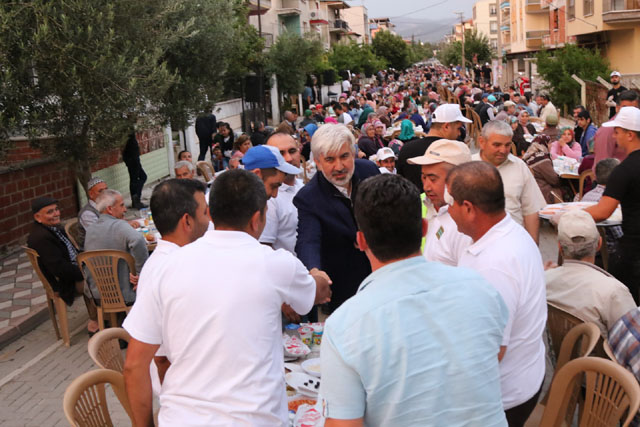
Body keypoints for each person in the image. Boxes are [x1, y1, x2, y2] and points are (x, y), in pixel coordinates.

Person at [122, 169, 332, 426]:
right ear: (257, 219)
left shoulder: (165, 266)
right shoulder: (276, 264)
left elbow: (134, 365)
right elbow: (317, 294)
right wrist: (318, 275)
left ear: (211, 213)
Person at [320, 174, 509, 426]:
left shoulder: (344, 326)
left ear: (361, 240)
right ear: (423, 228)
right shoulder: (481, 288)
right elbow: (494, 354)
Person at [446, 161, 547, 426]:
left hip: (503, 398)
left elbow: (488, 353)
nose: (448, 209)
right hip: (522, 375)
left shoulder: (494, 265)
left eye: (452, 202)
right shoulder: (508, 233)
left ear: (468, 208)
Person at [130, 179, 211, 389]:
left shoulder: (174, 260)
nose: (209, 219)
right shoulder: (168, 269)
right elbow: (161, 359)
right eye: (204, 213)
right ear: (187, 221)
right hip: (182, 389)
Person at [294, 124, 380, 314]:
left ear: (354, 153)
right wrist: (314, 271)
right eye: (330, 159)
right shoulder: (309, 197)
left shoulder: (370, 171)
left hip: (382, 277)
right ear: (317, 161)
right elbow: (308, 239)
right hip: (345, 289)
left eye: (344, 157)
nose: (339, 167)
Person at [545, 209, 635, 338]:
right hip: (599, 357)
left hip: (557, 357)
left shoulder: (543, 281)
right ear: (599, 243)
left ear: (560, 247)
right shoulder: (613, 291)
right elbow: (632, 344)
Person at [585, 106, 640, 302]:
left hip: (634, 251)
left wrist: (572, 215)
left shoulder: (624, 170)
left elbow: (603, 211)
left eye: (617, 132)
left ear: (630, 134)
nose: (614, 137)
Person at [27, 196, 98, 334]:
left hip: (74, 270)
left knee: (103, 270)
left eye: (56, 210)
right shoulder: (41, 238)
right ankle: (95, 323)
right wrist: (86, 271)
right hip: (65, 282)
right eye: (50, 212)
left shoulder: (53, 228)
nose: (56, 214)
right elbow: (59, 269)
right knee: (98, 279)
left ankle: (107, 314)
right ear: (37, 217)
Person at [473, 120, 546, 244]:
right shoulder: (466, 166)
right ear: (482, 142)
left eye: (507, 145)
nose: (503, 150)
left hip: (513, 242)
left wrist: (533, 248)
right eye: (497, 145)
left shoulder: (520, 167)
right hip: (475, 242)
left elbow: (531, 211)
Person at [407, 139, 472, 266]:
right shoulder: (417, 203)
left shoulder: (469, 224)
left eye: (433, 179)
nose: (426, 186)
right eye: (424, 177)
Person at [84, 189, 148, 305]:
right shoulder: (119, 226)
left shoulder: (90, 229)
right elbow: (138, 240)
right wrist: (140, 273)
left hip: (98, 295)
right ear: (109, 209)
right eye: (122, 205)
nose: (125, 209)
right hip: (125, 293)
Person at [397, 104, 471, 192]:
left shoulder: (406, 149)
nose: (459, 133)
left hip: (413, 202)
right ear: (446, 126)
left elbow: (400, 182)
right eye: (458, 128)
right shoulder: (456, 151)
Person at [593, 90, 639, 170]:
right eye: (625, 108)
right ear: (617, 108)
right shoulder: (607, 131)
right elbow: (602, 164)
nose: (629, 112)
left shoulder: (636, 127)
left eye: (634, 109)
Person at [522, 135, 563, 204]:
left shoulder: (529, 155)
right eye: (549, 143)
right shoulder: (542, 158)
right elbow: (554, 180)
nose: (551, 145)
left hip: (530, 190)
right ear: (545, 144)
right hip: (542, 192)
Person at [77, 177, 108, 249]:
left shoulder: (107, 205)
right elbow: (100, 235)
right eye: (100, 191)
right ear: (91, 194)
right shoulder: (87, 214)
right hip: (95, 252)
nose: (105, 194)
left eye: (106, 190)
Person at [122, 131, 147, 209]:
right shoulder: (130, 140)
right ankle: (136, 199)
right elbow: (129, 153)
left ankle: (135, 199)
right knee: (138, 179)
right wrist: (133, 162)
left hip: (134, 162)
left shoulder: (130, 139)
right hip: (134, 162)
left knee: (137, 179)